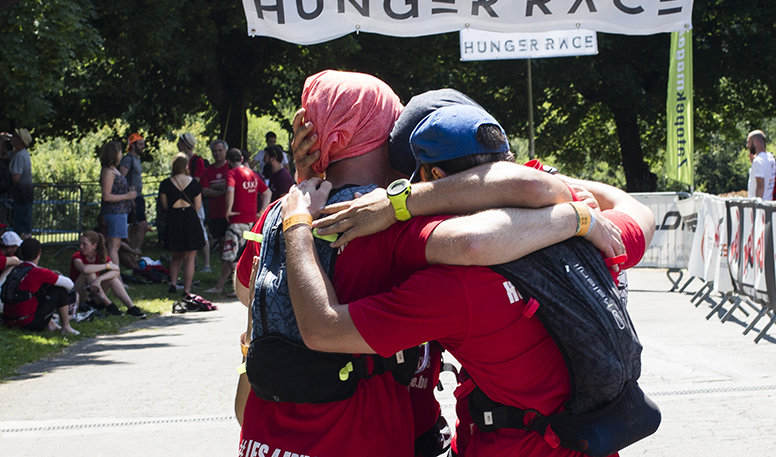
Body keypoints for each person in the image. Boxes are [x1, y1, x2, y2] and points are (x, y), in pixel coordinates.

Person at [233, 73, 627, 457]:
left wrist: (310, 183)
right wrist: (579, 219)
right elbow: (493, 225)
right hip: (362, 436)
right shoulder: (389, 224)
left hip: (262, 434)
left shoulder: (278, 215)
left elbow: (246, 295)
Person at [206, 148, 268, 295]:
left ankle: (247, 288)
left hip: (237, 220)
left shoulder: (232, 173)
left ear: (228, 161)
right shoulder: (252, 174)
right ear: (241, 159)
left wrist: (228, 210)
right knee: (232, 254)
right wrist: (262, 212)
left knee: (231, 254)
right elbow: (267, 192)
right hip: (251, 221)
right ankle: (219, 286)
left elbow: (230, 191)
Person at [2, 238, 79, 335]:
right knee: (59, 289)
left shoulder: (17, 269)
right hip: (28, 323)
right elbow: (69, 284)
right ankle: (66, 327)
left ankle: (51, 323)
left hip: (9, 319)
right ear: (39, 252)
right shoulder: (40, 273)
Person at [69, 230, 146, 318]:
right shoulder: (77, 256)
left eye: (84, 244)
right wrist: (106, 266)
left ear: (94, 246)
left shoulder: (100, 255)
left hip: (94, 293)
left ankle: (131, 308)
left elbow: (116, 270)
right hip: (79, 295)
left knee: (112, 278)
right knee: (90, 274)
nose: (81, 247)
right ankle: (109, 305)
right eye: (80, 243)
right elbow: (85, 269)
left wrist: (99, 279)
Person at [159, 153, 204, 295]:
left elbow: (165, 205)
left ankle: (173, 283)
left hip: (174, 218)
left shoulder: (166, 184)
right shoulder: (194, 184)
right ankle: (187, 289)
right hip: (190, 218)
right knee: (190, 257)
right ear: (186, 166)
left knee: (176, 254)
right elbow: (197, 206)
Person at [99, 141, 137, 274]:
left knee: (116, 245)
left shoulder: (114, 170)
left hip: (121, 212)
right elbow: (106, 196)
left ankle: (115, 274)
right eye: (120, 151)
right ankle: (116, 276)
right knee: (113, 247)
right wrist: (126, 196)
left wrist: (128, 199)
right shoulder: (108, 172)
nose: (121, 154)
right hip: (114, 212)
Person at [177, 132, 211, 272]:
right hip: (182, 201)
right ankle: (193, 262)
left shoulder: (198, 161)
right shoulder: (180, 159)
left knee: (200, 229)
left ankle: (207, 263)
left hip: (194, 199)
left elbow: (196, 181)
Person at [0, 128, 34, 237]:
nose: (12, 137)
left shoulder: (19, 156)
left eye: (15, 136)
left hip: (22, 196)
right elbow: (3, 155)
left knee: (22, 228)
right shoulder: (18, 153)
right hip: (22, 196)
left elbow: (15, 178)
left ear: (19, 141)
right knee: (22, 225)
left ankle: (24, 249)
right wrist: (2, 142)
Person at [119, 132, 148, 252]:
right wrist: (128, 198)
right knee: (143, 225)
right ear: (133, 145)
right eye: (140, 144)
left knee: (135, 226)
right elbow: (121, 178)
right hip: (132, 198)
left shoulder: (137, 159)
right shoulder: (128, 159)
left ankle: (130, 252)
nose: (143, 146)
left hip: (138, 196)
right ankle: (136, 251)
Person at [201, 140, 230, 257]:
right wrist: (223, 190)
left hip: (228, 210)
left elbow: (232, 185)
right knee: (221, 241)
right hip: (215, 212)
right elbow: (205, 191)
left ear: (225, 151)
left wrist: (214, 186)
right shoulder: (208, 171)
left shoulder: (230, 168)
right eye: (214, 151)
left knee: (229, 240)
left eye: (220, 150)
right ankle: (224, 265)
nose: (217, 153)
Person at [746, 130, 776, 201]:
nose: (747, 145)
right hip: (769, 201)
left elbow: (760, 186)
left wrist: (757, 207)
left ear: (756, 142)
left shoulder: (758, 161)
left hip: (759, 205)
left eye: (749, 142)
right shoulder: (770, 157)